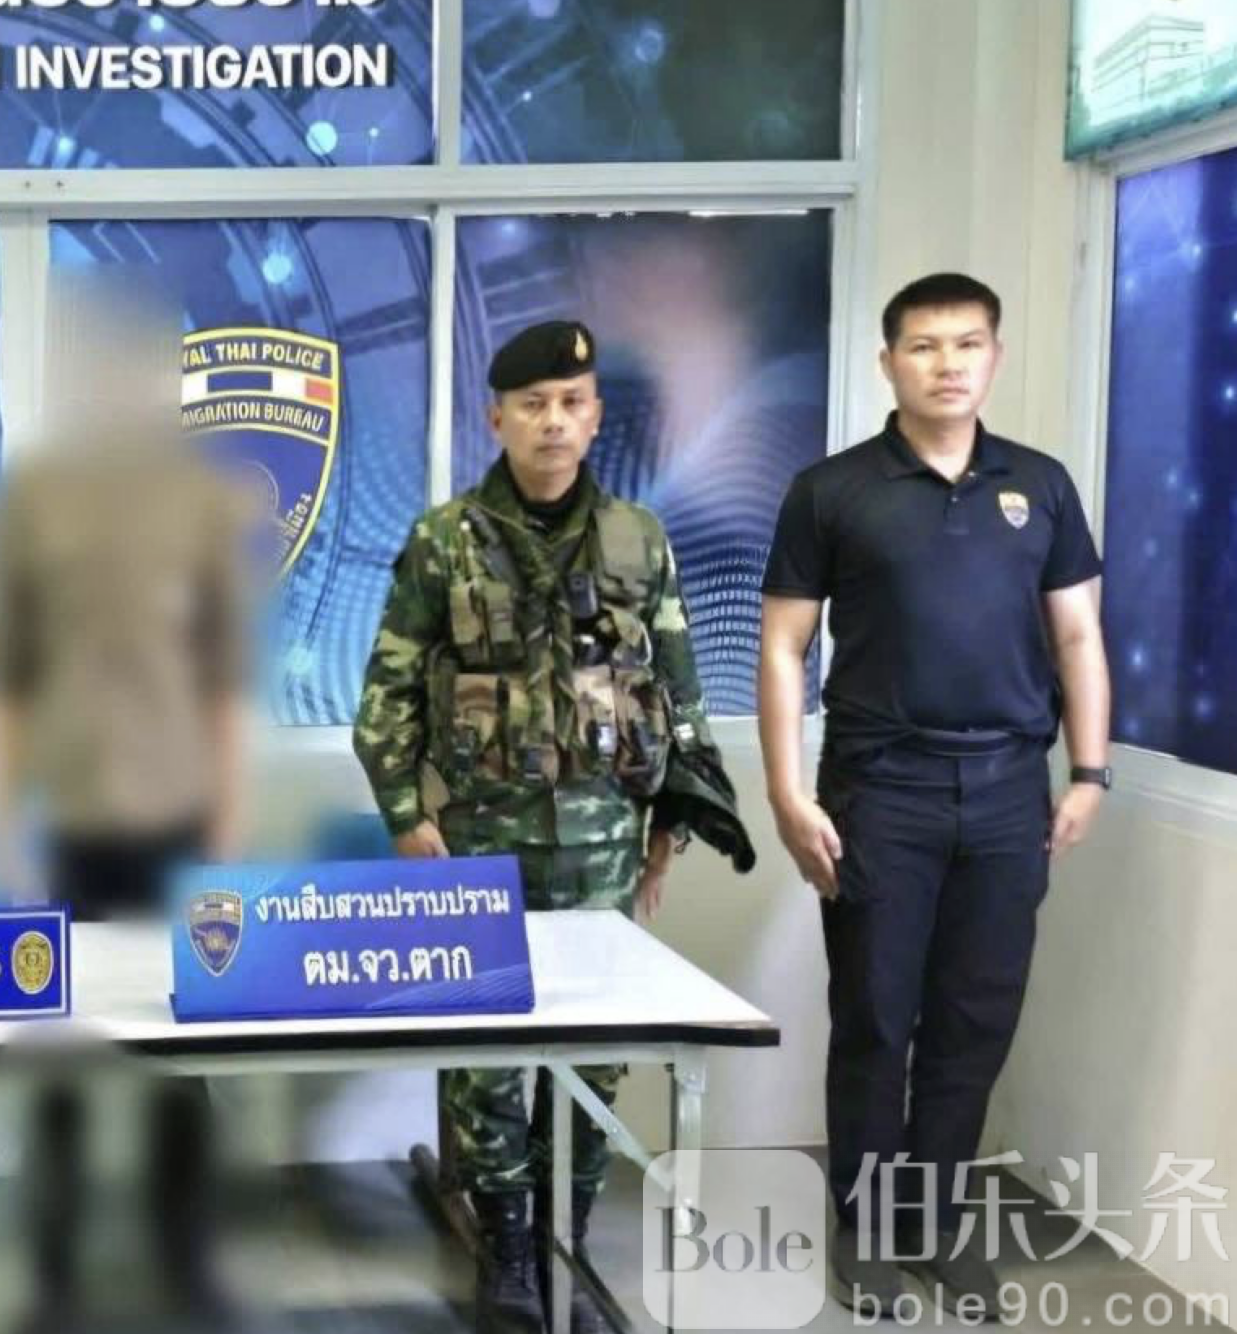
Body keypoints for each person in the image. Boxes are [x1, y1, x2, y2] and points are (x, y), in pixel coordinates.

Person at [353, 320, 754, 1332]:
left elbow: (680, 695)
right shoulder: (443, 540)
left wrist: (670, 823)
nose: (553, 421)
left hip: (603, 847)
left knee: (594, 1053)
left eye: (571, 402)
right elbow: (387, 693)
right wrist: (404, 817)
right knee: (488, 1053)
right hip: (476, 844)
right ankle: (508, 1247)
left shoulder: (638, 540)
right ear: (496, 419)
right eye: (532, 405)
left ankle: (563, 1232)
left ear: (596, 416)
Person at [758, 273, 1109, 1318]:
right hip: (881, 790)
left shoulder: (1039, 486)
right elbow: (782, 648)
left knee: (973, 1017)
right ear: (888, 363)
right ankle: (866, 1229)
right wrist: (785, 792)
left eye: (966, 343)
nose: (946, 363)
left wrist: (1088, 771)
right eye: (923, 345)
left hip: (1007, 790)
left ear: (994, 356)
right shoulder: (831, 490)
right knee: (875, 1015)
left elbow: (1077, 635)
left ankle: (936, 1225)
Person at [0, 272, 254, 1332]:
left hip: (178, 825)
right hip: (70, 826)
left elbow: (224, 683)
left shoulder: (199, 505)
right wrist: (3, 824)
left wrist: (227, 824)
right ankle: (52, 1276)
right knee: (56, 1055)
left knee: (185, 1057)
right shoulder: (32, 506)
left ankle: (187, 1263)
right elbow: (7, 681)